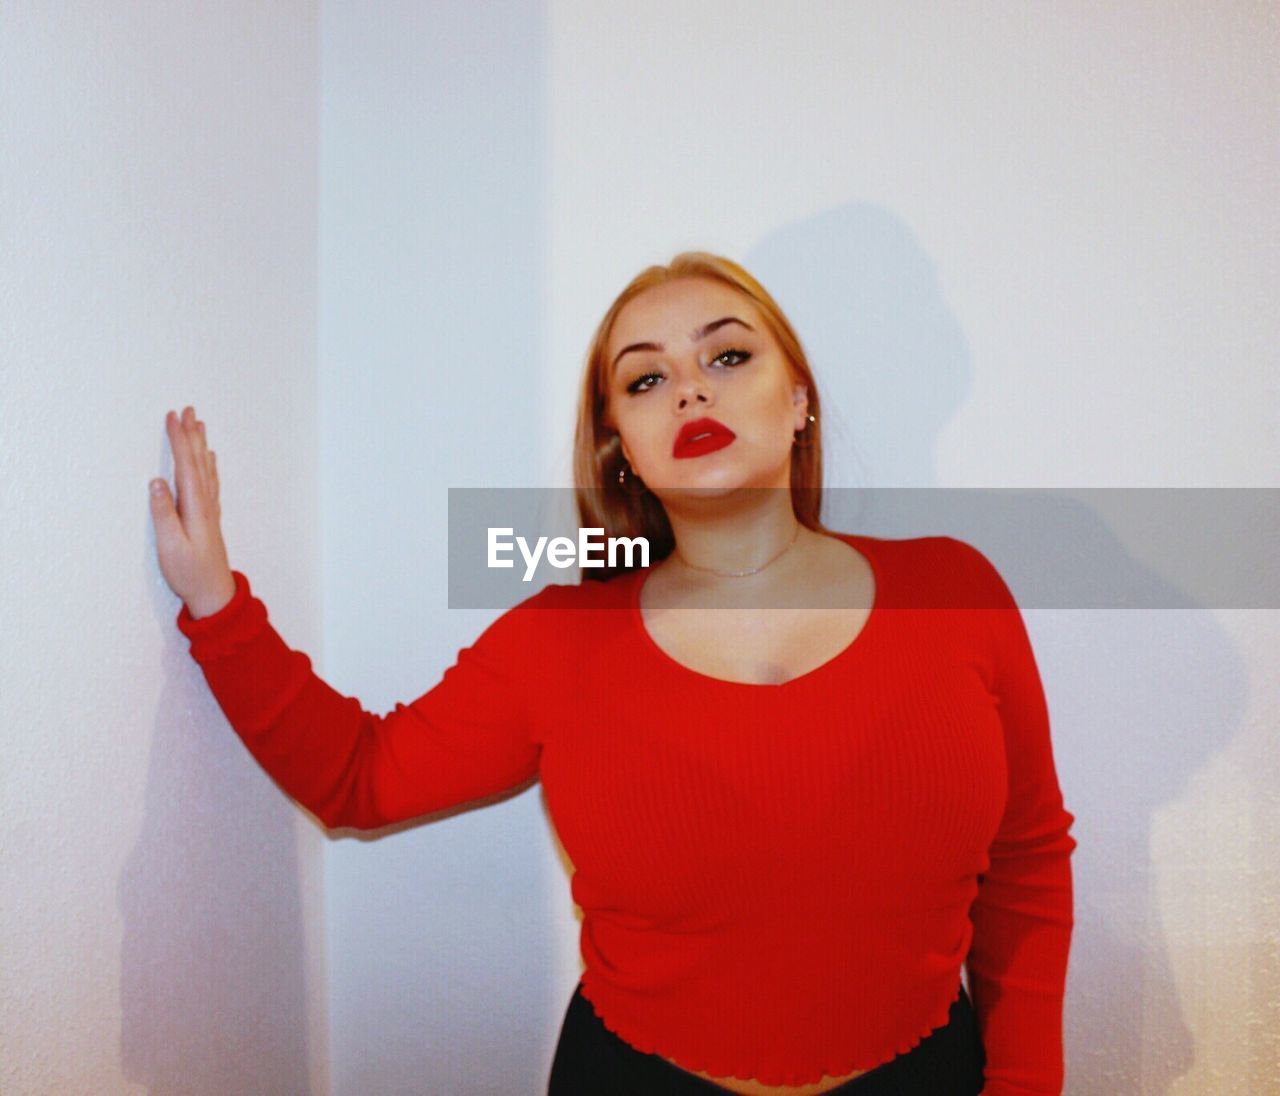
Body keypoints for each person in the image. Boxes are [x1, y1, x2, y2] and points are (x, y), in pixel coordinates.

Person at [149, 252, 1076, 1095]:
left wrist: (1029, 1080)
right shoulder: (557, 644)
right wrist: (218, 604)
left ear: (799, 400)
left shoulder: (955, 588)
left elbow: (1028, 859)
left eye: (727, 359)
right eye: (646, 378)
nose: (688, 393)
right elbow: (358, 777)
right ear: (619, 446)